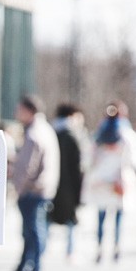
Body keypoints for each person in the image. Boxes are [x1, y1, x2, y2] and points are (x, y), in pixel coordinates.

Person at [5, 94, 60, 271]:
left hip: (33, 190)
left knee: (32, 231)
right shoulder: (44, 129)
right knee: (33, 230)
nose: (16, 113)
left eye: (19, 110)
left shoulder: (34, 133)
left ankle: (33, 267)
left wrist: (19, 185)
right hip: (42, 188)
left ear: (29, 111)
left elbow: (28, 166)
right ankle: (27, 267)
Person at [87, 105, 136, 262]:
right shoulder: (127, 134)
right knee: (117, 217)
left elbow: (90, 157)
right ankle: (116, 247)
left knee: (101, 216)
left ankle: (99, 247)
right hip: (119, 180)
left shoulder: (99, 133)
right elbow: (134, 160)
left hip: (101, 179)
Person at [51, 103, 87, 260]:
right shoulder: (73, 136)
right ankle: (70, 251)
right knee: (71, 219)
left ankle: (46, 250)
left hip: (53, 184)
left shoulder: (52, 133)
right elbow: (77, 166)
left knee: (50, 216)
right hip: (69, 186)